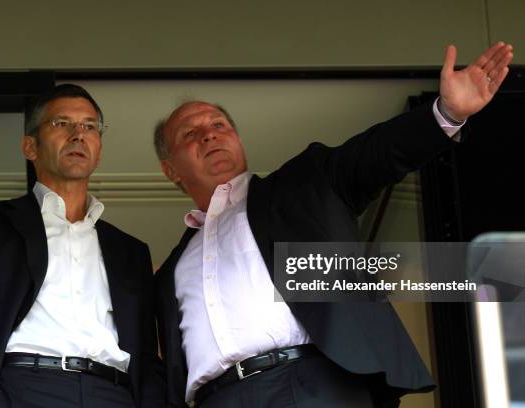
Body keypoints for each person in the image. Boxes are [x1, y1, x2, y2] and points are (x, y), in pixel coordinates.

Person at [152, 43, 513, 407]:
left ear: (238, 139)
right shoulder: (171, 270)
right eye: (190, 133)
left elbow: (377, 154)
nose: (209, 134)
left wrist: (445, 113)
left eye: (218, 125)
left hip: (313, 386)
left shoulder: (306, 185)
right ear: (170, 170)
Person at [0, 84, 165, 408]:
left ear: (99, 148)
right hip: (23, 389)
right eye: (61, 123)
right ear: (30, 146)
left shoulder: (131, 252)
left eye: (89, 126)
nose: (78, 134)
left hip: (115, 395)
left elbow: (148, 360)